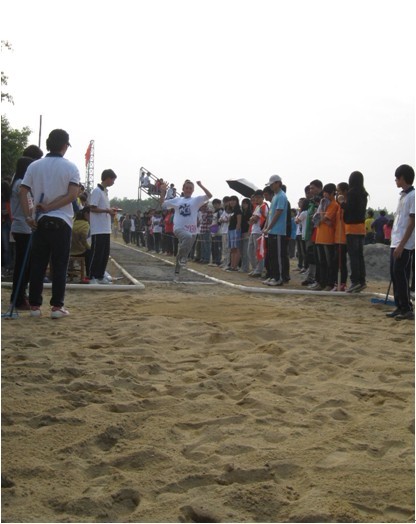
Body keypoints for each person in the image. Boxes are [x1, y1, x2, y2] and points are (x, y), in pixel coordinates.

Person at [19, 129, 80, 318]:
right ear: (65, 145)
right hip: (62, 221)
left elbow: (23, 191)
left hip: (39, 221)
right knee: (59, 265)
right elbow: (72, 195)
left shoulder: (35, 165)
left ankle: (35, 306)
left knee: (38, 264)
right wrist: (51, 207)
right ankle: (56, 307)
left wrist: (28, 216)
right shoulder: (71, 167)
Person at [9, 145, 44, 309]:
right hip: (22, 227)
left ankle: (21, 295)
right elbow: (28, 206)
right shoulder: (20, 185)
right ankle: (18, 298)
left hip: (24, 227)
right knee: (22, 266)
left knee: (26, 265)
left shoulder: (21, 184)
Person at [160, 179, 212, 276]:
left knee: (184, 251)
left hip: (192, 230)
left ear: (193, 190)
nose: (188, 190)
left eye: (190, 188)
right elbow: (163, 205)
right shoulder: (177, 200)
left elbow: (209, 195)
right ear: (183, 189)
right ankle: (182, 257)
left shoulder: (196, 200)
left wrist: (201, 185)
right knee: (187, 238)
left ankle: (177, 272)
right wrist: (163, 192)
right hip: (179, 228)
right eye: (186, 188)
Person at [386, 164, 415, 321]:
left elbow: (412, 222)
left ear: (403, 177)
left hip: (405, 243)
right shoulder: (402, 196)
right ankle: (399, 305)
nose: (395, 180)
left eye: (397, 178)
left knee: (400, 272)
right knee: (394, 273)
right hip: (395, 241)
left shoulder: (413, 196)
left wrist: (402, 244)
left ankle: (406, 308)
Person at [341, 171, 368, 293]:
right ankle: (362, 281)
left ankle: (355, 281)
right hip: (361, 227)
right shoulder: (364, 193)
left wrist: (342, 203)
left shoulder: (351, 193)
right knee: (359, 256)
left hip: (352, 227)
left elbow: (349, 208)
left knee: (353, 256)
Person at [88, 169, 118, 284]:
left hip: (105, 228)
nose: (113, 182)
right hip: (98, 228)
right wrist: (107, 210)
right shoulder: (97, 191)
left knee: (104, 254)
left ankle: (100, 275)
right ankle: (91, 276)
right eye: (113, 180)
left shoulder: (105, 192)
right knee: (96, 253)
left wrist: (110, 211)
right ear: (108, 178)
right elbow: (92, 208)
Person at [262, 175, 288, 286]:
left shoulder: (281, 196)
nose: (271, 186)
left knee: (278, 256)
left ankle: (279, 278)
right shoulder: (275, 196)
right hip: (272, 232)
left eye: (272, 184)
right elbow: (270, 214)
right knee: (272, 256)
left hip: (278, 231)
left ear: (278, 183)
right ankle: (273, 276)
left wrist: (269, 227)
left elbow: (278, 213)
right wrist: (266, 227)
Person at [314, 183, 339, 291]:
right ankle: (321, 282)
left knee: (329, 263)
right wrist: (321, 216)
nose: (325, 195)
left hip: (328, 238)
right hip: (320, 236)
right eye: (324, 192)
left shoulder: (334, 204)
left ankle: (330, 283)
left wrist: (321, 215)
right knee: (321, 262)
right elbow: (318, 218)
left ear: (333, 193)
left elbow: (324, 218)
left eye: (327, 193)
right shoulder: (323, 203)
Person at [248, 189, 268, 277]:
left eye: (259, 197)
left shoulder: (263, 206)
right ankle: (255, 268)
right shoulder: (257, 207)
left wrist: (253, 218)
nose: (256, 199)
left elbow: (255, 219)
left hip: (259, 231)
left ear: (262, 197)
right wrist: (252, 218)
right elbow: (251, 219)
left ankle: (259, 270)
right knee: (250, 251)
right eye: (255, 197)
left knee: (258, 251)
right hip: (253, 231)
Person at [70, 206, 91, 271]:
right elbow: (83, 240)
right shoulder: (85, 224)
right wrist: (89, 247)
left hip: (69, 250)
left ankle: (70, 270)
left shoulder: (73, 221)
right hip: (79, 251)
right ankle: (89, 273)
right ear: (86, 214)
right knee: (91, 252)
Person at [227, 195, 242, 271]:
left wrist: (237, 230)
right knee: (232, 249)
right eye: (231, 200)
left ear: (236, 201)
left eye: (234, 200)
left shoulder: (238, 210)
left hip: (235, 230)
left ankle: (235, 266)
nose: (232, 202)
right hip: (230, 230)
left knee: (236, 248)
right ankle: (232, 265)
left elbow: (239, 222)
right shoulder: (231, 211)